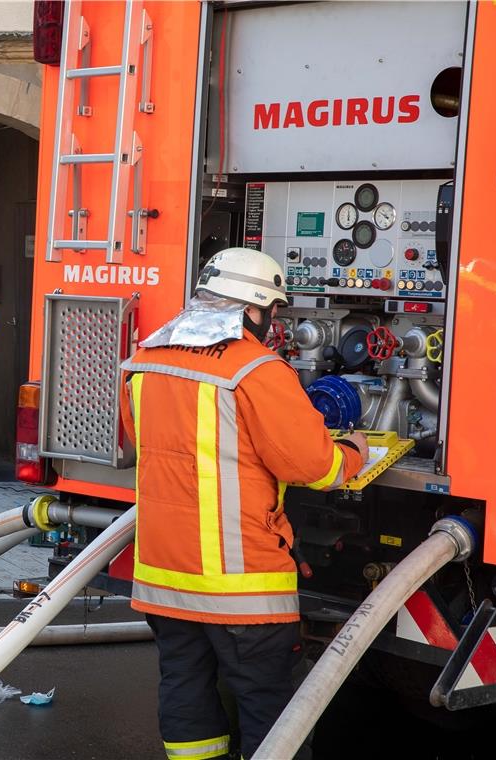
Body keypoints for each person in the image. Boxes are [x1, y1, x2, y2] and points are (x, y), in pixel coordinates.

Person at [118, 247, 368, 759]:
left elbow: (147, 443)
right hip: (243, 588)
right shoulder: (256, 369)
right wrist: (354, 452)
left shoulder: (143, 360)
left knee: (186, 692)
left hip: (164, 579)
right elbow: (313, 467)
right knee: (274, 710)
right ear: (253, 310)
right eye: (273, 311)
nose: (273, 323)